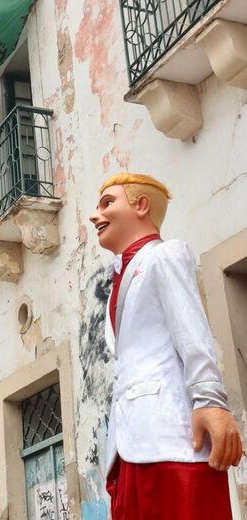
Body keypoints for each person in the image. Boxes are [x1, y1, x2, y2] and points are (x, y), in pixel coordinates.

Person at [90, 173, 243, 519]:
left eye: (107, 203)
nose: (95, 215)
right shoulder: (116, 280)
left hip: (173, 442)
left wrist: (210, 400)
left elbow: (192, 330)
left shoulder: (165, 255)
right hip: (130, 445)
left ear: (141, 206)